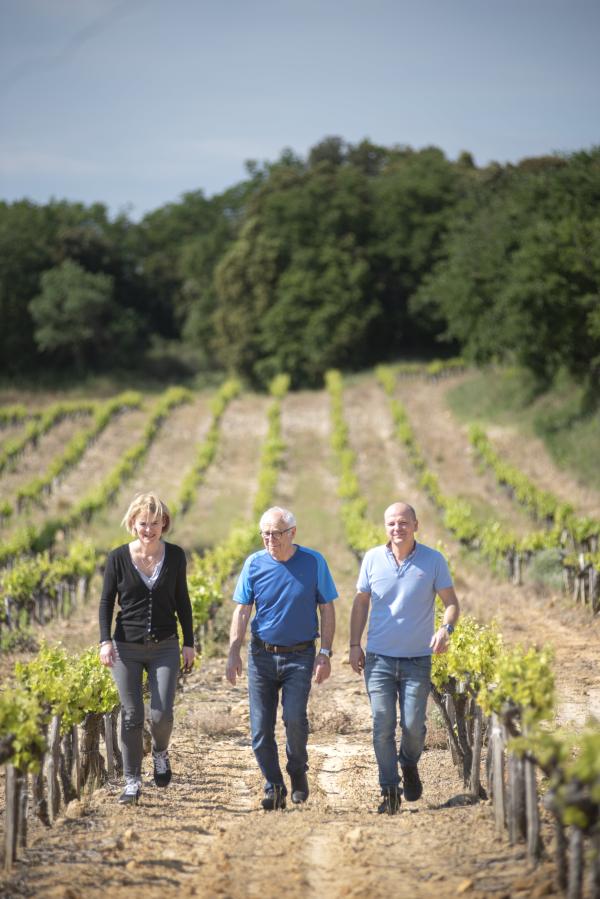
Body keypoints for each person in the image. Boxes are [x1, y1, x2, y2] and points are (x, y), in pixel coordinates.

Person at [349, 501, 459, 814]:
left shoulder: (433, 560)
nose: (397, 529)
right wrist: (354, 645)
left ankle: (409, 763)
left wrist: (445, 629)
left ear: (415, 525)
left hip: (416, 660)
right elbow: (360, 604)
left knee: (414, 726)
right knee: (381, 723)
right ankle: (389, 790)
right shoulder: (372, 559)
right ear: (386, 527)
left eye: (403, 523)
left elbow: (451, 603)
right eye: (391, 524)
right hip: (379, 660)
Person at [226, 506, 337, 810]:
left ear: (292, 533)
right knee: (260, 730)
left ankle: (298, 771)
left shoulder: (314, 562)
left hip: (300, 655)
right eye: (265, 534)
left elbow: (327, 608)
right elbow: (243, 609)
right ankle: (274, 786)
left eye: (276, 533)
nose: (270, 539)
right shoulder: (254, 564)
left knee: (294, 719)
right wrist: (233, 650)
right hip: (262, 655)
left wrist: (325, 653)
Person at [99, 492, 195, 805]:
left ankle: (161, 752)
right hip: (126, 647)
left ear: (164, 524)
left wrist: (189, 643)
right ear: (132, 523)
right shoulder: (117, 558)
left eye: (155, 523)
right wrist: (104, 641)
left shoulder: (176, 556)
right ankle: (132, 782)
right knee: (131, 715)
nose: (149, 529)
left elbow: (183, 601)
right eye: (144, 523)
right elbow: (105, 602)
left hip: (166, 644)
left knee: (162, 713)